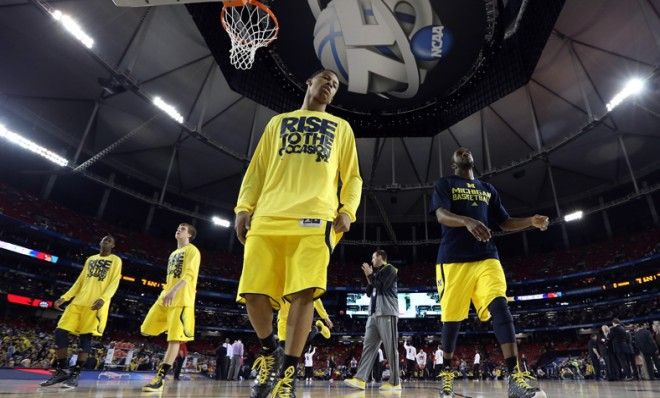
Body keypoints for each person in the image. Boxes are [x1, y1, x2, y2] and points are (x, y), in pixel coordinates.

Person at [234, 68, 362, 398]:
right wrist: (243, 207)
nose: (330, 87)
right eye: (326, 80)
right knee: (253, 292)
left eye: (335, 86)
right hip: (269, 213)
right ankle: (268, 351)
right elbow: (257, 169)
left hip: (316, 217)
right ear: (309, 82)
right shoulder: (278, 122)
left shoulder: (341, 127)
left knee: (305, 293)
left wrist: (347, 210)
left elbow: (353, 177)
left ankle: (287, 375)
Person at [431, 147, 549, 398]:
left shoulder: (488, 189)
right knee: (451, 321)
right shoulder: (445, 183)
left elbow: (504, 222)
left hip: (487, 257)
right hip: (452, 260)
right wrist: (467, 221)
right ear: (454, 163)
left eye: (466, 150)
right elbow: (441, 214)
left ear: (473, 160)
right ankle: (447, 377)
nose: (463, 151)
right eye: (457, 151)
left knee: (500, 307)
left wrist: (530, 221)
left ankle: (514, 379)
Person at [41, 235, 122, 388]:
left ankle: (75, 374)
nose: (106, 241)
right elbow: (80, 281)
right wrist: (64, 298)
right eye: (104, 239)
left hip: (95, 305)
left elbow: (114, 282)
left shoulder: (116, 260)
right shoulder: (90, 259)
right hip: (78, 302)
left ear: (113, 246)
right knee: (60, 331)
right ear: (99, 242)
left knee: (85, 339)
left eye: (110, 241)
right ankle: (61, 371)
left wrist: (103, 298)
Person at [140, 223, 201, 392]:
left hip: (181, 299)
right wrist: (168, 291)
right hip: (166, 297)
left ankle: (160, 378)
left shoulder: (192, 250)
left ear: (189, 235)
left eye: (183, 229)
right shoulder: (174, 253)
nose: (178, 229)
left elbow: (189, 274)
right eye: (178, 227)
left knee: (174, 339)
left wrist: (174, 291)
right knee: (145, 329)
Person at [344, 250, 401, 391]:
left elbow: (381, 286)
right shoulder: (376, 274)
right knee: (368, 347)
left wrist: (370, 275)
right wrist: (368, 276)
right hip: (373, 314)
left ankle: (395, 382)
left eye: (373, 257)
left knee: (390, 348)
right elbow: (369, 292)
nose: (372, 260)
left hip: (387, 313)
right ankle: (360, 379)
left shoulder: (391, 269)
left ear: (381, 257)